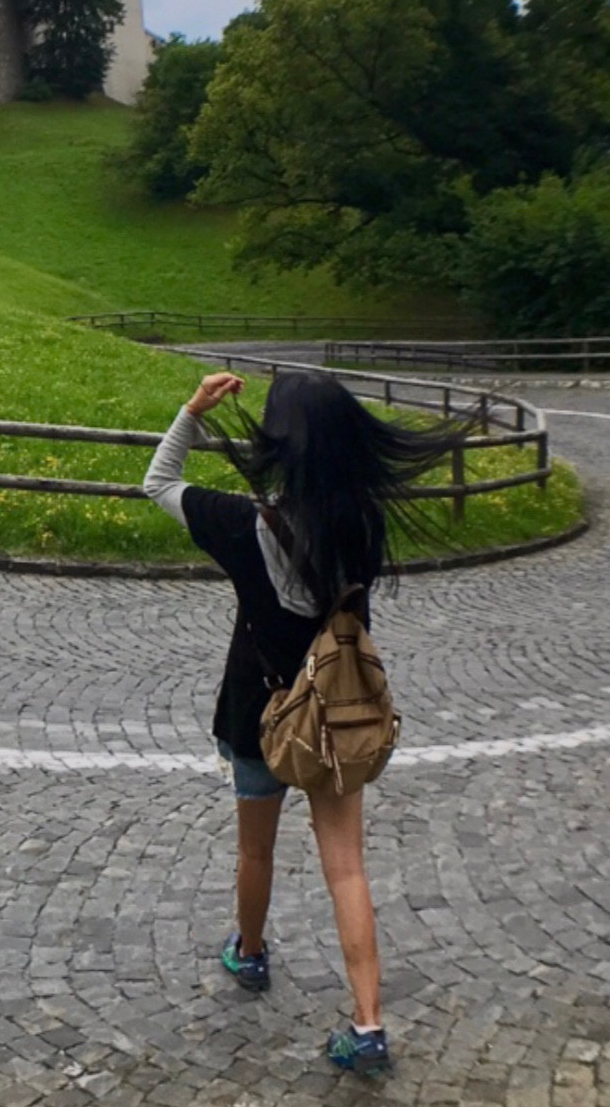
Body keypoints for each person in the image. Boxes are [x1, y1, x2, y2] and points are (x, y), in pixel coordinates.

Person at [144, 367, 466, 1078]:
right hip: (340, 717)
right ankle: (369, 1024)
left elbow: (157, 482)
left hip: (260, 713)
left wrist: (193, 410)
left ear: (281, 442)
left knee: (254, 851)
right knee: (346, 866)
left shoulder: (242, 525)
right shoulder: (364, 524)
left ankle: (250, 953)